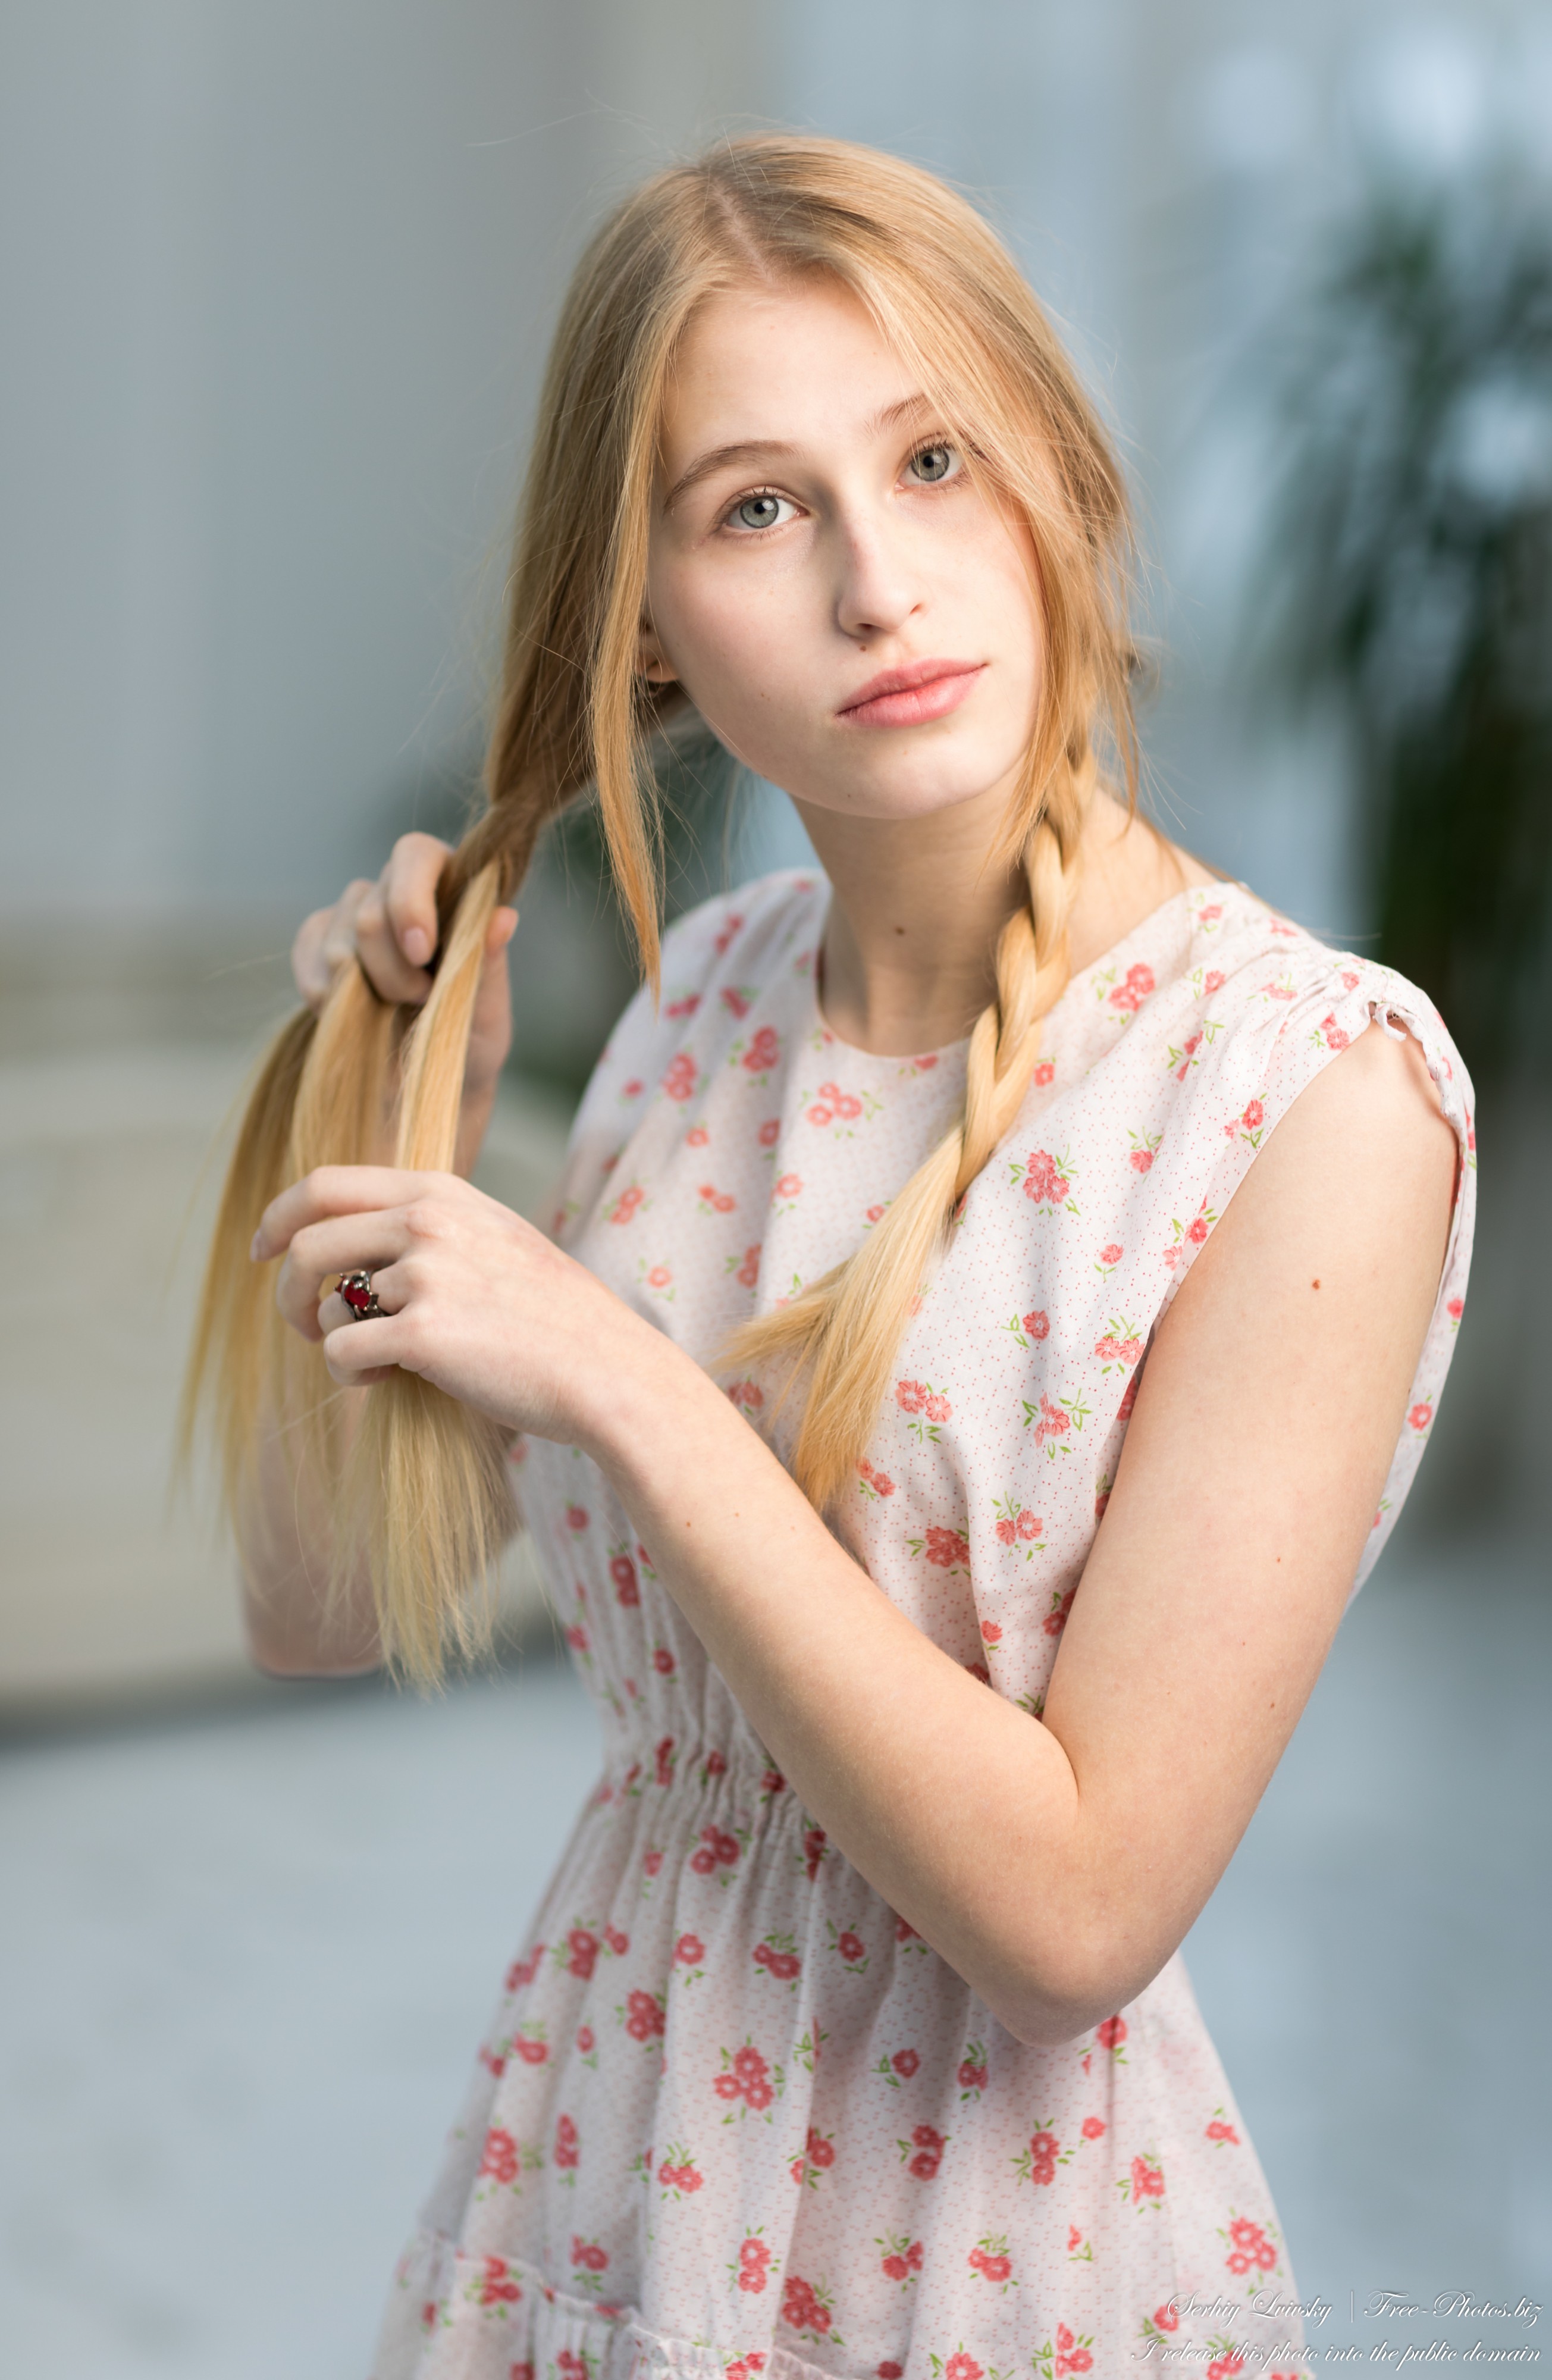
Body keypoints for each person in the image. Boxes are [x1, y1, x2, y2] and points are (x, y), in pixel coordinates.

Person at [216, 136, 1472, 2378]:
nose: (881, 582)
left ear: (1059, 483)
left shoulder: (1309, 1093)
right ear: (650, 631)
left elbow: (1074, 1914)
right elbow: (313, 1609)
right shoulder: (704, 1006)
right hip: (596, 2165)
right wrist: (398, 1103)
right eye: (758, 507)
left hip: (987, 2247)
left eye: (933, 458)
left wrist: (612, 1368)